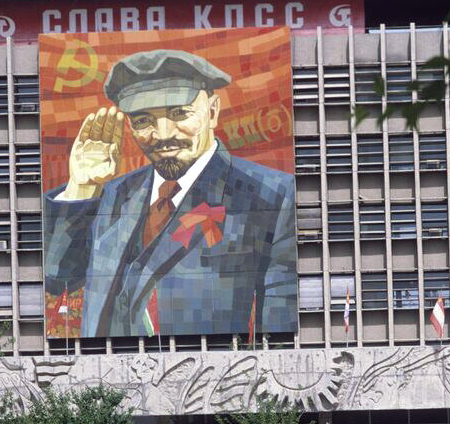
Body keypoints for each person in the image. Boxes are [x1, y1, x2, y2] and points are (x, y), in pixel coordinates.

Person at [44, 48, 297, 338]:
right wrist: (82, 186)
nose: (163, 134)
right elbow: (57, 279)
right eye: (143, 120)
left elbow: (280, 326)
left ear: (212, 111)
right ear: (129, 126)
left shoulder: (271, 194)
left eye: (179, 113)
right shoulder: (111, 194)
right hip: (108, 378)